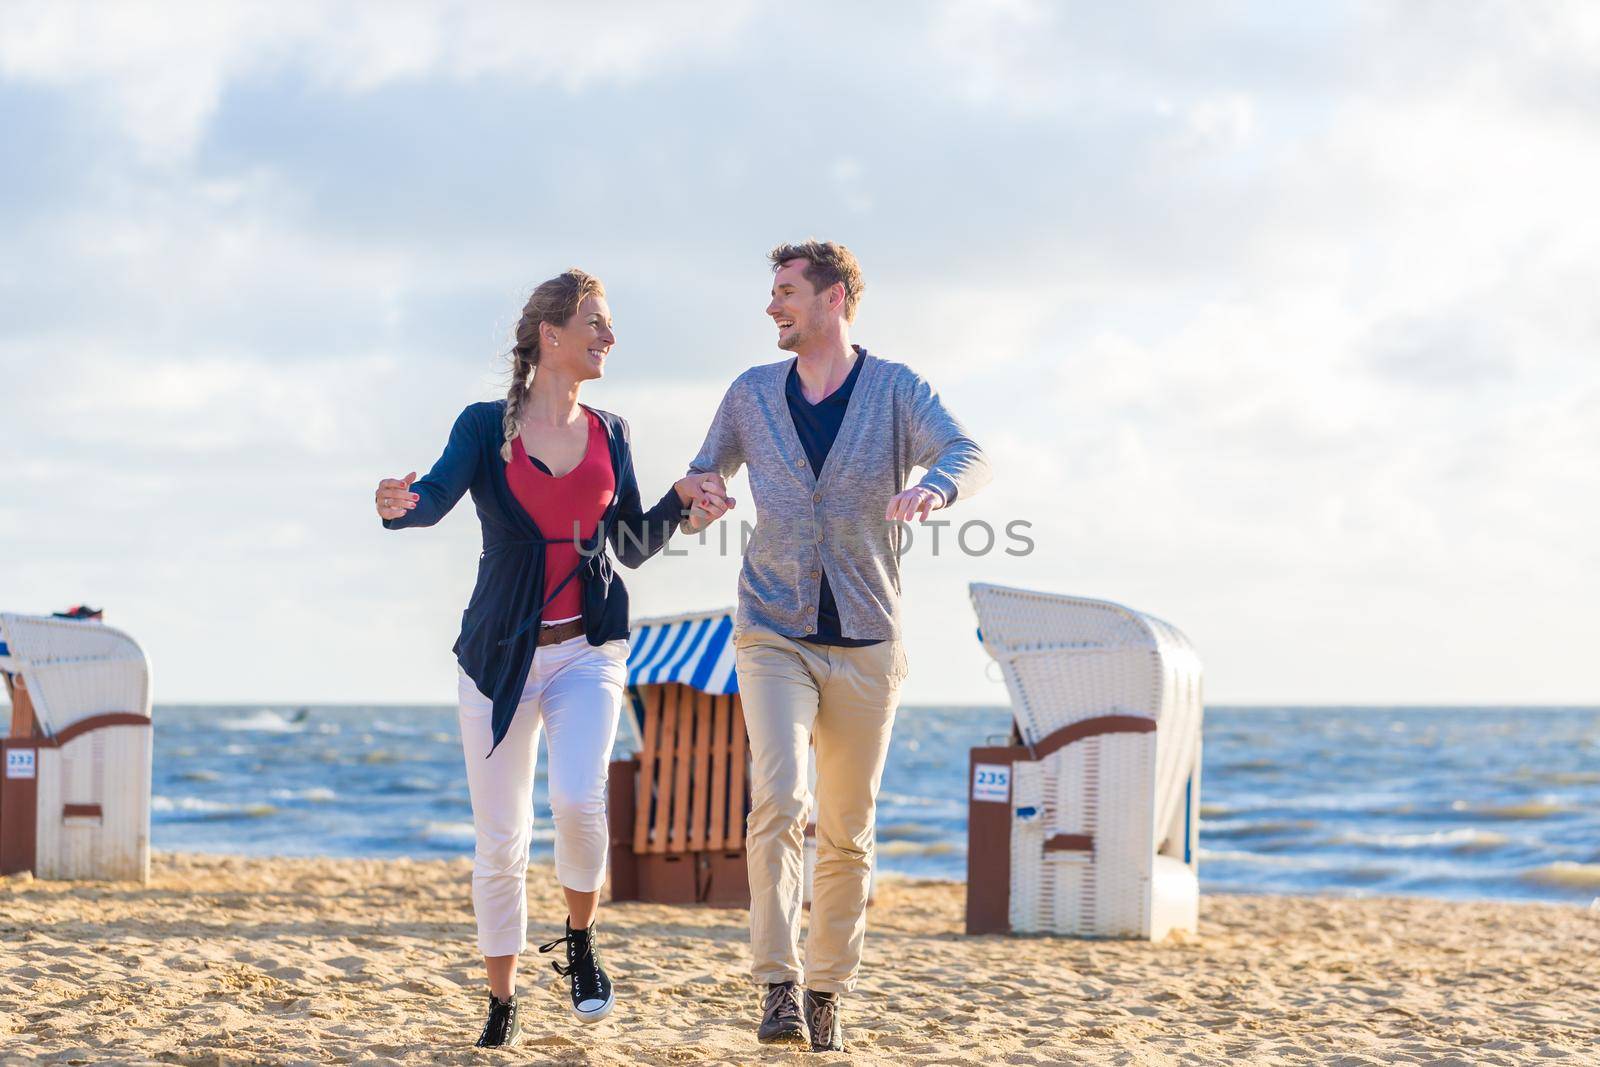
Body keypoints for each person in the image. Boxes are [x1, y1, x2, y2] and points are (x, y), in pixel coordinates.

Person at [373, 268, 731, 1048]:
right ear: (552, 336)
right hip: (497, 660)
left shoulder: (614, 432)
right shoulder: (483, 426)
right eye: (596, 323)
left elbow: (631, 544)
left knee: (577, 798)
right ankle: (501, 1002)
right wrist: (401, 507)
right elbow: (432, 496)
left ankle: (579, 939)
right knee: (500, 841)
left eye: (608, 324)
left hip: (588, 652)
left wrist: (680, 499)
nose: (609, 337)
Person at [681, 241, 990, 1051]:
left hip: (866, 638)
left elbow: (968, 451)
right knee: (779, 800)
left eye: (786, 292)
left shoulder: (894, 389)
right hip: (772, 627)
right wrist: (700, 494)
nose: (772, 306)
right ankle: (777, 985)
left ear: (835, 299)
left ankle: (827, 990)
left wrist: (936, 485)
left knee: (848, 827)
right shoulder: (751, 393)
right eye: (772, 292)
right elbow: (701, 474)